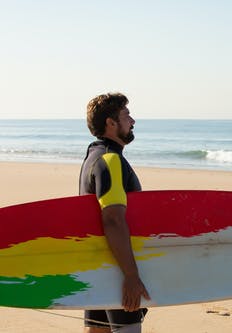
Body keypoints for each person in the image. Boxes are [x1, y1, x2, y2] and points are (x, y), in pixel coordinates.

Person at [79, 92, 150, 333]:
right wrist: (131, 276)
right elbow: (113, 219)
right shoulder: (110, 160)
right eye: (126, 115)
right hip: (116, 269)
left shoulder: (92, 157)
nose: (132, 121)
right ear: (111, 123)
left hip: (98, 265)